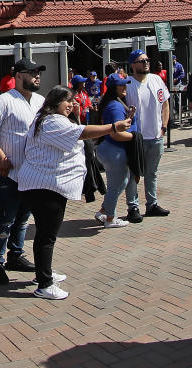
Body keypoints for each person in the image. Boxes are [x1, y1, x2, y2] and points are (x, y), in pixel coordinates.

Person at [16, 86, 132, 299]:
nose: (71, 104)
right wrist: (114, 127)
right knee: (46, 237)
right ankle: (44, 284)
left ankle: (44, 273)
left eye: (73, 101)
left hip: (44, 185)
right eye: (66, 101)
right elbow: (82, 133)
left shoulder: (49, 119)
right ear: (54, 101)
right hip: (45, 187)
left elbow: (75, 134)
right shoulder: (52, 121)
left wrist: (76, 116)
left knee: (46, 234)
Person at [0, 58, 45, 284]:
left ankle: (15, 255)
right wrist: (1, 158)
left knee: (23, 218)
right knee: (5, 218)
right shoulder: (3, 101)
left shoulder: (41, 102)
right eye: (31, 72)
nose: (37, 76)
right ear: (17, 76)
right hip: (6, 174)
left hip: (31, 174)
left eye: (38, 72)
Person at [123, 49, 170, 220]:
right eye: (141, 61)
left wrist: (164, 126)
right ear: (132, 65)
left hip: (156, 136)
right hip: (137, 138)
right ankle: (133, 207)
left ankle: (152, 204)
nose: (146, 63)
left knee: (152, 173)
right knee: (133, 174)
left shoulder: (157, 79)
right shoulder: (128, 84)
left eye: (147, 60)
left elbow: (165, 105)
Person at [93, 75, 137, 228]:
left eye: (125, 84)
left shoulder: (116, 103)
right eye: (121, 85)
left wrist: (130, 116)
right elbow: (115, 133)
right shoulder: (115, 106)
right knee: (116, 184)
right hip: (113, 150)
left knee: (121, 182)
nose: (124, 88)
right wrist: (135, 137)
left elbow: (121, 125)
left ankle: (104, 211)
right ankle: (110, 218)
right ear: (113, 87)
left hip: (111, 150)